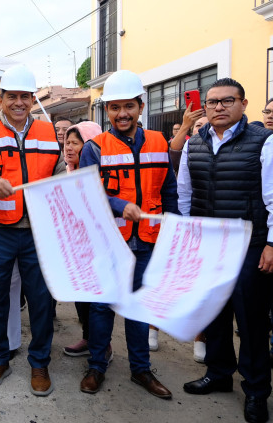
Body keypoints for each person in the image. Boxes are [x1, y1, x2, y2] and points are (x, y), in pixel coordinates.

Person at [0, 64, 64, 396]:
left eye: (25, 96)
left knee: (41, 300)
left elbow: (61, 173)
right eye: (12, 97)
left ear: (33, 99)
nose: (19, 102)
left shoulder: (49, 133)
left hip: (38, 231)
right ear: (1, 98)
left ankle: (39, 362)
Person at [78, 70, 178, 400]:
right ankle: (96, 365)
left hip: (148, 240)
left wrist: (173, 227)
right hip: (109, 241)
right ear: (106, 111)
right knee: (103, 307)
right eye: (115, 107)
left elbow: (169, 190)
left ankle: (141, 370)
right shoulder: (94, 148)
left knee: (139, 307)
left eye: (128, 107)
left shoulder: (159, 142)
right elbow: (87, 194)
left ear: (140, 106)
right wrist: (121, 205)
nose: (122, 114)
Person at [178, 78, 273, 423]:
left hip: (249, 245)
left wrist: (272, 244)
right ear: (204, 107)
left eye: (227, 101)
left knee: (251, 322)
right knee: (214, 314)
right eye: (212, 102)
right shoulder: (194, 144)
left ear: (243, 105)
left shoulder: (264, 142)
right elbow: (185, 194)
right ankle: (219, 375)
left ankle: (256, 391)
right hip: (208, 244)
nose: (219, 107)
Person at [59, 121, 104, 358]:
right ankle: (88, 338)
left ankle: (102, 345)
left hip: (97, 245)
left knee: (98, 300)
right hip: (74, 246)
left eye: (76, 143)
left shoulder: (101, 176)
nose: (68, 148)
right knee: (81, 296)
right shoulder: (63, 173)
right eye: (67, 143)